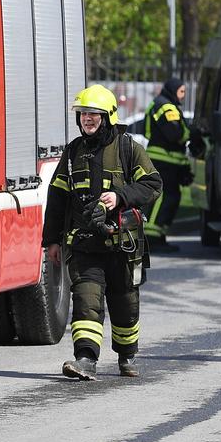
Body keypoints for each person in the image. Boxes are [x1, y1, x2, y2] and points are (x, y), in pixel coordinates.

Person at [43, 84, 162, 379]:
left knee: (125, 302)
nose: (87, 119)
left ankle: (127, 355)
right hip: (84, 243)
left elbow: (153, 184)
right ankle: (85, 359)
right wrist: (51, 241)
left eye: (93, 115)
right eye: (83, 114)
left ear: (108, 116)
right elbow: (57, 198)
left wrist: (120, 197)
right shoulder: (73, 153)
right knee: (86, 299)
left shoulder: (127, 148)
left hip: (122, 245)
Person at [142, 78, 192, 252]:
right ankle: (152, 238)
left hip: (165, 160)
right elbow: (174, 133)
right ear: (173, 90)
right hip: (163, 161)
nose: (183, 95)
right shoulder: (167, 107)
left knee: (170, 197)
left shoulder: (161, 103)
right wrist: (192, 133)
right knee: (164, 198)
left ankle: (158, 235)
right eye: (182, 91)